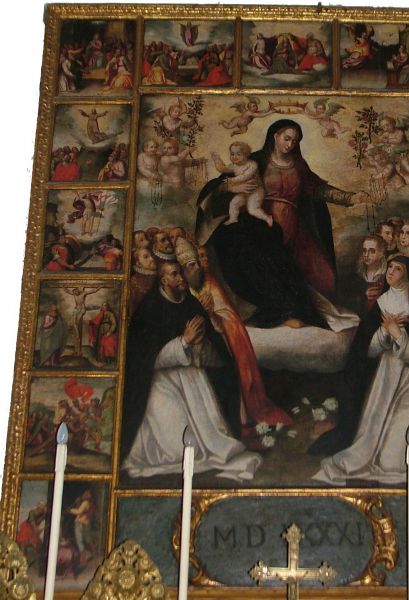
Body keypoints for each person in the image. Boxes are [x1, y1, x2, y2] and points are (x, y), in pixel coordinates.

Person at [196, 119, 362, 327]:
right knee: (247, 252)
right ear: (275, 136)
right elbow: (222, 183)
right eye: (287, 138)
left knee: (325, 278)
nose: (290, 144)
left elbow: (319, 189)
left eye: (294, 141)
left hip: (293, 228)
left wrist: (350, 198)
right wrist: (229, 186)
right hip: (260, 225)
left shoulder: (299, 166)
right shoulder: (256, 161)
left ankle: (293, 310)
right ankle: (280, 311)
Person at [121, 262, 262, 480]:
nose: (181, 278)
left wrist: (198, 346)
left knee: (211, 438)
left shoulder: (191, 304)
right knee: (177, 448)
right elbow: (144, 359)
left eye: (181, 273)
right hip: (159, 382)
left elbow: (214, 352)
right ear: (163, 280)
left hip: (192, 378)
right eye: (174, 274)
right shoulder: (149, 309)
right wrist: (184, 342)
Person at [312, 256, 409, 484]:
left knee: (394, 461)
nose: (390, 272)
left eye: (397, 268)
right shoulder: (382, 303)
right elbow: (369, 350)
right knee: (371, 444)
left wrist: (398, 335)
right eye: (389, 267)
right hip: (385, 378)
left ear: (408, 274)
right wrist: (384, 333)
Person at [175, 238, 293, 434]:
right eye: (190, 265)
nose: (196, 268)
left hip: (222, 335)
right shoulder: (183, 289)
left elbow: (226, 313)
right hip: (197, 343)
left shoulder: (209, 281)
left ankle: (240, 417)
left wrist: (211, 314)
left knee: (230, 371)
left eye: (196, 262)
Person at [211, 142, 273, 227]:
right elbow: (222, 168)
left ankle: (267, 218)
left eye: (238, 154)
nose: (234, 156)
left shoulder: (252, 165)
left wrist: (231, 180)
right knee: (234, 203)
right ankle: (233, 219)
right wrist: (216, 159)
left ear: (246, 155)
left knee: (252, 210)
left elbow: (244, 177)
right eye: (232, 154)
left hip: (256, 191)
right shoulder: (234, 166)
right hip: (244, 192)